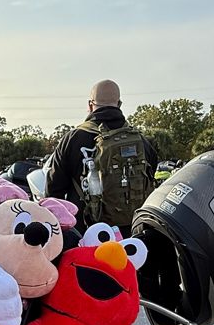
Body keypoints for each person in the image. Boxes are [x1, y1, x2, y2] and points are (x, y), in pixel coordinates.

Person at [45, 79, 158, 232]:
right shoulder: (141, 141)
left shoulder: (73, 139)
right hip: (131, 234)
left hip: (87, 234)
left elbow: (53, 193)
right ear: (119, 104)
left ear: (90, 105)